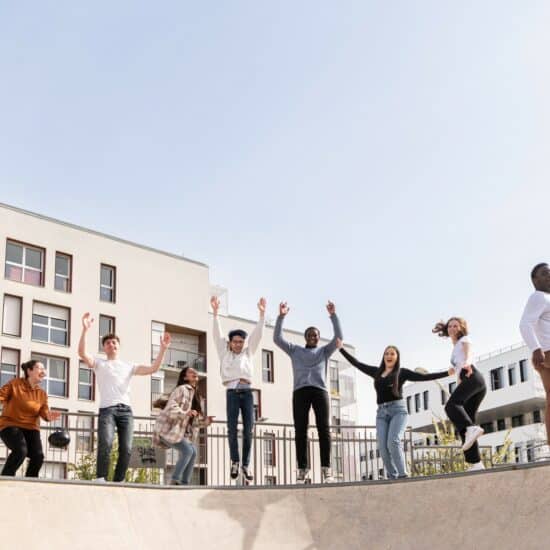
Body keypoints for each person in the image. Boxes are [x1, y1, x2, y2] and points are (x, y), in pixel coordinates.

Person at [78, 312, 171, 482]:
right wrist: (84, 330)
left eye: (114, 342)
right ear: (104, 348)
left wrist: (163, 349)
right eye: (107, 343)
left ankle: (119, 480)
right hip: (107, 410)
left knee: (127, 448)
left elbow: (152, 369)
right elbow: (82, 353)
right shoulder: (99, 363)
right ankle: (100, 478)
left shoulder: (129, 366)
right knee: (105, 442)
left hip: (126, 411)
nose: (111, 344)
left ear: (118, 346)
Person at [337, 340, 449, 479]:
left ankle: (403, 475)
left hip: (398, 411)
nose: (389, 356)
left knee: (393, 441)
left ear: (397, 357)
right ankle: (392, 475)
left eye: (392, 354)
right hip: (381, 413)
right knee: (383, 447)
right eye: (386, 354)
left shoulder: (402, 373)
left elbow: (424, 377)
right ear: (383, 357)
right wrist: (341, 349)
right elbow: (357, 363)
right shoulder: (377, 372)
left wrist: (447, 373)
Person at [273, 300, 342, 484]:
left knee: (324, 430)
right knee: (300, 430)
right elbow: (277, 339)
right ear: (305, 337)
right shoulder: (295, 350)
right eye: (310, 334)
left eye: (316, 335)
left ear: (319, 338)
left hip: (320, 392)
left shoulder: (324, 352)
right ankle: (302, 469)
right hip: (300, 392)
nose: (313, 337)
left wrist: (333, 316)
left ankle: (327, 470)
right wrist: (281, 316)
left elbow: (338, 338)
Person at [211, 296, 265, 482]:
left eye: (241, 342)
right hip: (232, 393)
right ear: (230, 342)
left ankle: (245, 465)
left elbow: (258, 336)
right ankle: (235, 461)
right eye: (235, 341)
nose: (238, 344)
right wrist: (216, 313)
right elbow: (216, 335)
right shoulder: (224, 353)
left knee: (249, 429)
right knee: (232, 428)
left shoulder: (248, 353)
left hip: (247, 392)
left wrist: (262, 315)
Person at [433, 317, 486, 471]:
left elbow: (468, 352)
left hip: (472, 375)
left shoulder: (464, 339)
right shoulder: (454, 347)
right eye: (450, 326)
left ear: (461, 328)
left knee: (451, 407)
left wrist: (468, 363)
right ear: (447, 330)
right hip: (470, 381)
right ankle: (476, 463)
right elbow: (458, 373)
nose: (453, 328)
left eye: (456, 326)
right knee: (465, 425)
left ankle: (471, 428)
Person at [0, 360, 61, 477]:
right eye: (40, 368)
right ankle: (5, 478)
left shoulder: (42, 394)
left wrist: (48, 416)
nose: (43, 371)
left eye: (44, 369)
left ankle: (30, 481)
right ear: (29, 371)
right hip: (10, 425)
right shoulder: (15, 384)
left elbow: (44, 412)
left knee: (38, 456)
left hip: (31, 428)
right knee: (21, 451)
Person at [153, 366, 213, 485]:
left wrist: (206, 422)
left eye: (195, 371)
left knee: (193, 452)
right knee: (187, 450)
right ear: (185, 377)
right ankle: (175, 479)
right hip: (167, 430)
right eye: (191, 372)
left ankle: (184, 482)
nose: (194, 373)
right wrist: (185, 413)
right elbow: (171, 407)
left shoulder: (195, 394)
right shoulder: (181, 389)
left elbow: (193, 422)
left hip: (179, 433)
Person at [519, 262, 550, 443]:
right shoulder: (539, 297)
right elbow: (525, 324)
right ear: (535, 279)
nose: (549, 276)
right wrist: (536, 349)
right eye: (545, 273)